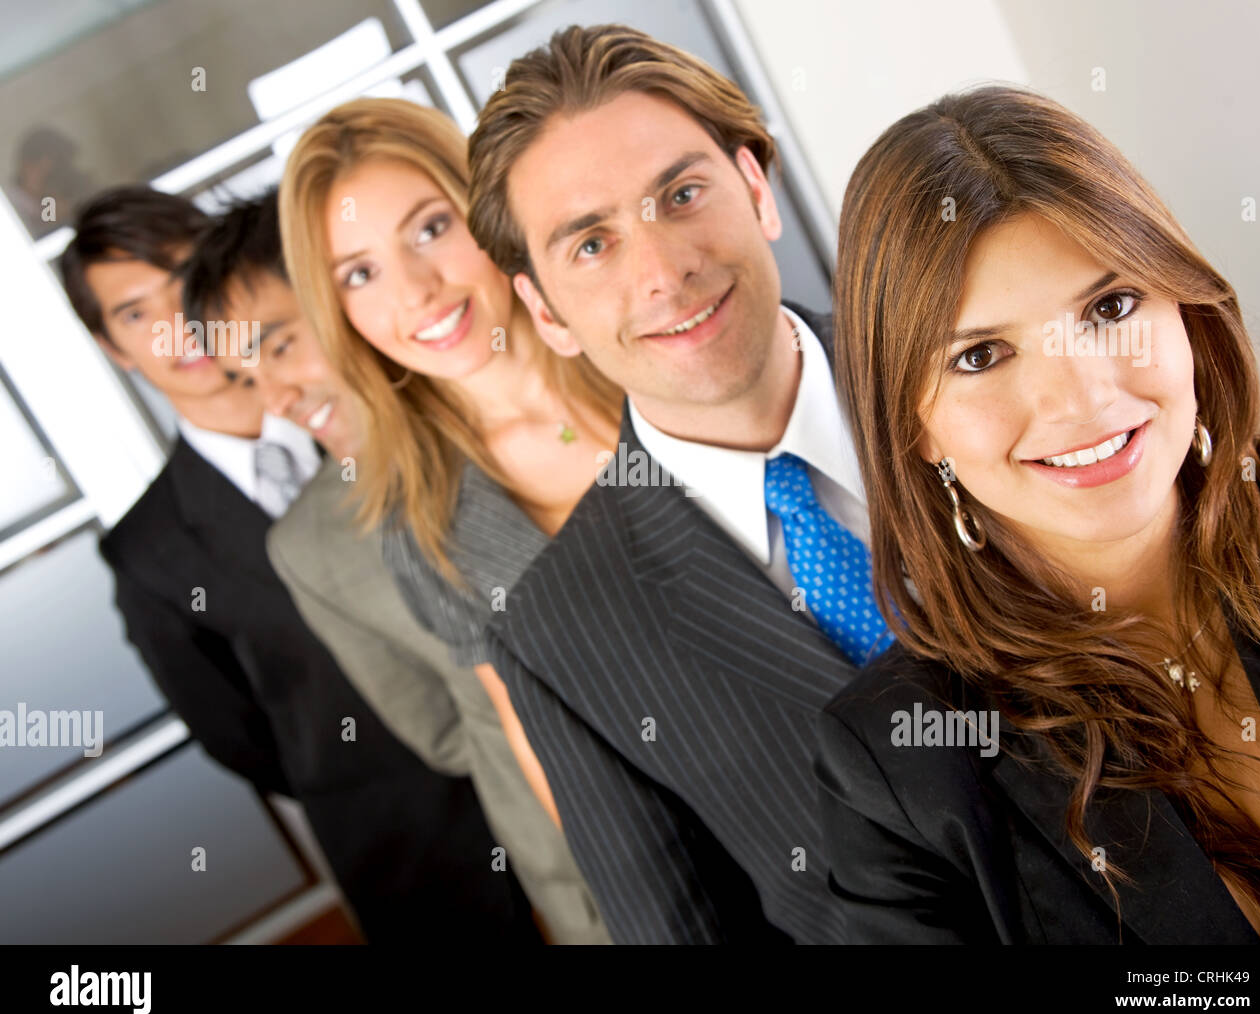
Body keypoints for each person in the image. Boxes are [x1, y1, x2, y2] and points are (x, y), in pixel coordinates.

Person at [816, 84, 1260, 944]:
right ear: (913, 427)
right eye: (981, 355)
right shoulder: (902, 767)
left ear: (1184, 309)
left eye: (1110, 308)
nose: (1082, 399)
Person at [466, 23, 893, 944]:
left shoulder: (969, 372)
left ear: (755, 187)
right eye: (591, 245)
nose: (664, 272)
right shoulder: (557, 633)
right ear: (545, 311)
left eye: (683, 194)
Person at [64, 185, 535, 943]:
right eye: (134, 312)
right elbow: (238, 735)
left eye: (186, 281)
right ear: (113, 347)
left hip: (548, 764)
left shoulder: (384, 408)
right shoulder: (148, 552)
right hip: (402, 843)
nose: (178, 322)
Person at [191, 189, 610, 944]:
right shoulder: (311, 545)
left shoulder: (550, 399)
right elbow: (441, 733)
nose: (277, 399)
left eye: (281, 345)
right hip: (580, 872)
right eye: (246, 379)